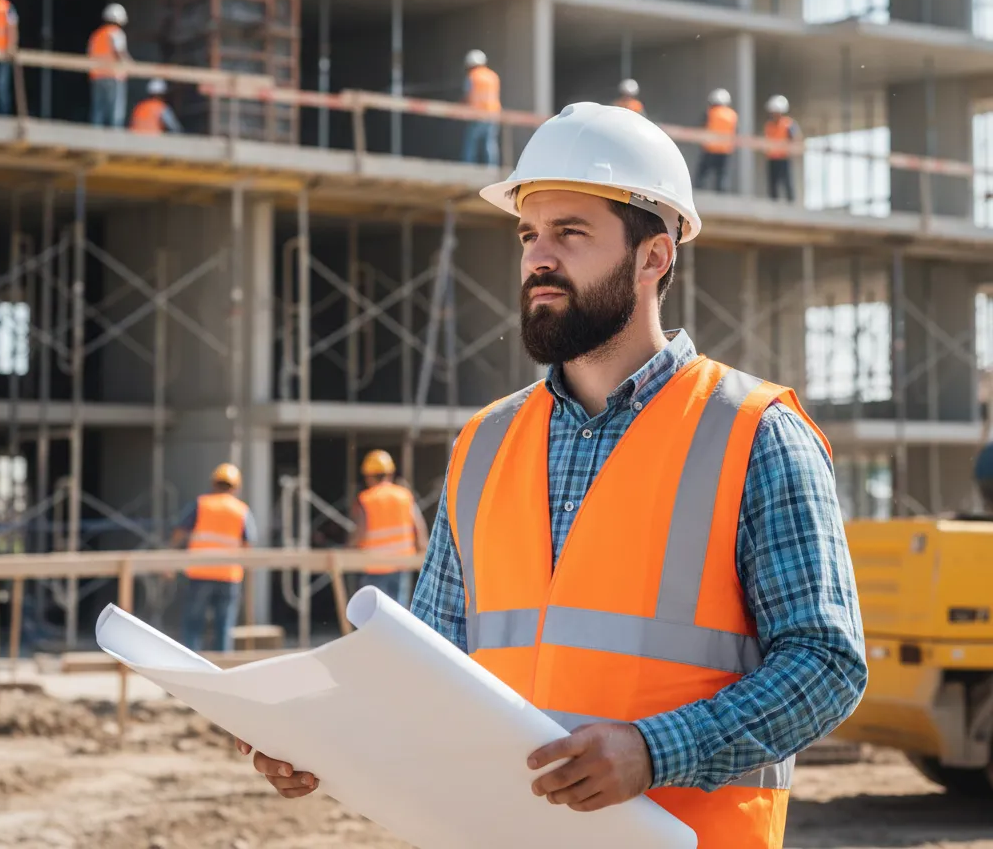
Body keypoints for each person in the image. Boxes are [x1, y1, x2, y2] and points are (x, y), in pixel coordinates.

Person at [236, 102, 867, 847]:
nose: (540, 256)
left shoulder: (755, 432)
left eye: (571, 233)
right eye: (530, 234)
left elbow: (827, 664)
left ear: (654, 256)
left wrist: (653, 752)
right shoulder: (485, 443)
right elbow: (431, 668)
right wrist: (321, 734)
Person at [171, 463, 255, 653]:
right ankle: (222, 670)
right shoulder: (241, 510)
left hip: (200, 573)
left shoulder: (201, 504)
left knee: (193, 623)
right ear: (236, 487)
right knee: (224, 626)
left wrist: (170, 562)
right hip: (229, 575)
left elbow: (179, 533)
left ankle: (191, 665)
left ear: (214, 483)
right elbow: (249, 545)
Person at [349, 449, 429, 608]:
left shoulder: (367, 498)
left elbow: (361, 533)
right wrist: (423, 552)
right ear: (390, 473)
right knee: (398, 612)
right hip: (402, 563)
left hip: (375, 565)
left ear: (368, 476)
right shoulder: (404, 496)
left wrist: (348, 548)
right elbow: (419, 528)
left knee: (374, 613)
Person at [88, 3, 132, 128]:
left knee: (98, 111)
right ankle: (115, 141)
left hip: (97, 77)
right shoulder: (116, 33)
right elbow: (120, 53)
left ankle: (95, 139)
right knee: (116, 112)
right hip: (114, 76)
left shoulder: (96, 35)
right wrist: (132, 66)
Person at [462, 49, 501, 166]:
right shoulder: (493, 76)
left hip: (477, 114)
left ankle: (468, 168)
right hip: (493, 114)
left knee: (471, 144)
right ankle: (492, 169)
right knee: (489, 144)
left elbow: (468, 95)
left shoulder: (473, 76)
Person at [696, 88, 738, 192]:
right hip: (725, 150)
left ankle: (698, 192)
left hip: (710, 148)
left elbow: (703, 127)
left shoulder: (710, 113)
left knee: (703, 174)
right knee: (722, 176)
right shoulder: (732, 115)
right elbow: (735, 130)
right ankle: (722, 197)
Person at [763, 94, 800, 201]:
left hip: (784, 158)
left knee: (787, 183)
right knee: (773, 184)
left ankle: (791, 204)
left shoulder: (788, 124)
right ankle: (773, 203)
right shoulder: (769, 125)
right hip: (772, 158)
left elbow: (795, 138)